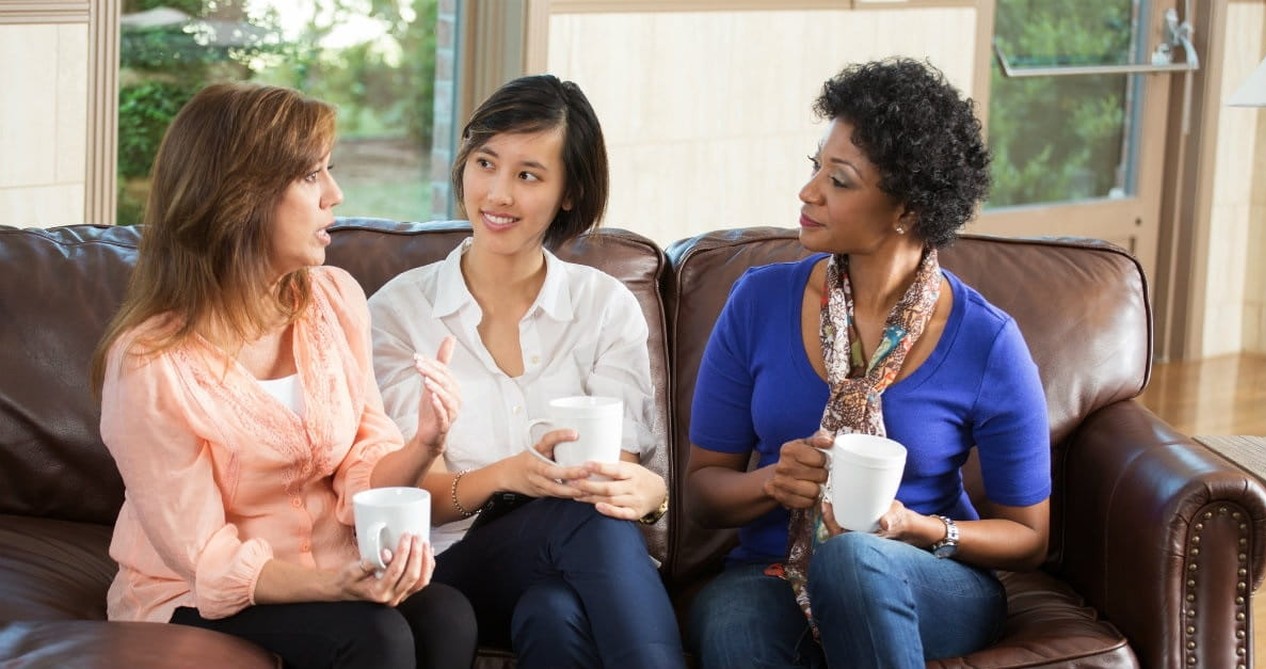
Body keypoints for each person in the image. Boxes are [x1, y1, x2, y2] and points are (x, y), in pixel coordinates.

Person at [91, 82, 477, 669]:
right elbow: (208, 557)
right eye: (310, 176)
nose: (335, 194)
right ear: (240, 197)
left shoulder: (334, 300)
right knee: (377, 637)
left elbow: (362, 466)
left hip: (329, 572)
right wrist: (340, 588)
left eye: (330, 171)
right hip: (196, 592)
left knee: (448, 613)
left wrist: (426, 440)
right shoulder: (151, 362)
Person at [684, 58, 1052, 668]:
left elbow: (1027, 536)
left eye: (840, 180)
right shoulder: (758, 302)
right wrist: (772, 483)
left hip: (926, 576)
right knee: (731, 629)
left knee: (853, 559)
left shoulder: (988, 341)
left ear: (906, 207)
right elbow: (702, 495)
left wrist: (918, 527)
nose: (808, 193)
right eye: (814, 169)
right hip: (769, 572)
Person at [367, 73, 683, 668]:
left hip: (574, 560)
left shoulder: (604, 307)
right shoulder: (398, 312)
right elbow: (407, 496)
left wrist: (648, 492)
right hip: (451, 570)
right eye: (486, 163)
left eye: (528, 175)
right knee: (576, 514)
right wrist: (507, 476)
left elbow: (613, 478)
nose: (498, 194)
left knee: (553, 613)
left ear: (569, 192)